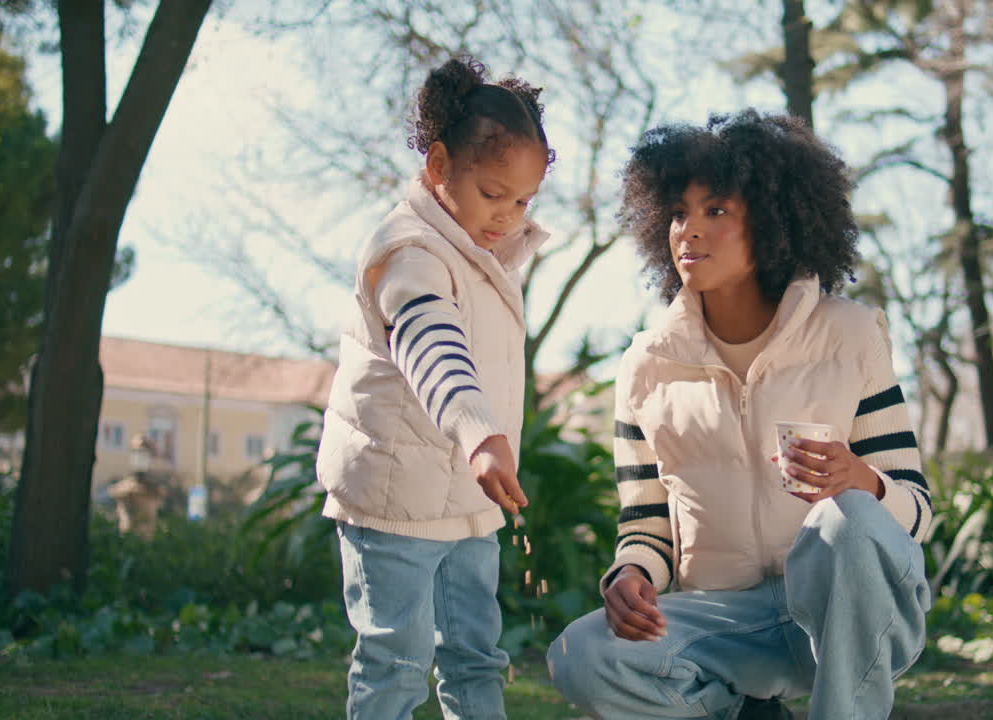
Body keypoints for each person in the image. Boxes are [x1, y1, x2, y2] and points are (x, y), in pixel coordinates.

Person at [548, 110, 933, 720]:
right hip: (727, 620)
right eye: (677, 212)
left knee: (850, 521)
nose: (688, 231)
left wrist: (858, 480)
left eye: (716, 211)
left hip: (849, 616)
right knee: (582, 653)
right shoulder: (646, 366)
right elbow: (646, 522)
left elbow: (916, 510)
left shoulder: (851, 334)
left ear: (774, 221)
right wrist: (630, 574)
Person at [316, 55, 553, 720]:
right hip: (395, 506)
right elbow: (431, 344)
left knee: (477, 656)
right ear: (440, 168)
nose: (508, 216)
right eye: (493, 193)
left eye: (523, 201)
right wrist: (479, 434)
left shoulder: (485, 255)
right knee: (397, 660)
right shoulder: (411, 251)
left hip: (467, 509)